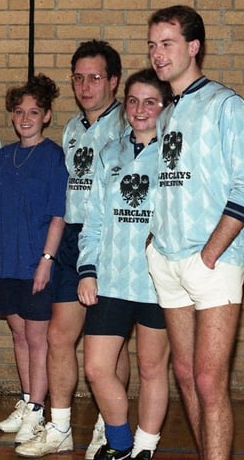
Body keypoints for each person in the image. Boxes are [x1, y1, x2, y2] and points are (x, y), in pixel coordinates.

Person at [15, 40, 128, 459]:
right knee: (60, 336)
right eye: (78, 77)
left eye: (94, 77)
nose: (85, 86)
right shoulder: (72, 129)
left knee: (109, 341)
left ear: (113, 81)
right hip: (70, 241)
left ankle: (107, 423)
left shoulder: (125, 124)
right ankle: (59, 426)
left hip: (111, 242)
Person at [145, 5, 244, 460]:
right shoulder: (166, 114)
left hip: (213, 261)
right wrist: (154, 242)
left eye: (167, 44)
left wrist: (210, 253)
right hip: (167, 261)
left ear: (193, 47)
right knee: (184, 374)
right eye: (152, 45)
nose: (158, 54)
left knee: (208, 379)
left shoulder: (226, 105)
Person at [77, 69, 172, 460]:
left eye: (150, 101)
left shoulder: (174, 155)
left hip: (157, 282)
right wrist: (88, 269)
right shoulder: (109, 153)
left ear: (165, 106)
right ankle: (119, 443)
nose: (140, 109)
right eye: (133, 101)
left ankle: (145, 449)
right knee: (97, 368)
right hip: (111, 280)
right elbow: (94, 219)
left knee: (152, 369)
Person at [0, 74, 68, 445]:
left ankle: (37, 408)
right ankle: (27, 400)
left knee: (37, 337)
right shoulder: (1, 157)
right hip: (5, 260)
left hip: (35, 261)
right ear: (12, 116)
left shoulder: (53, 157)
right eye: (19, 111)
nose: (26, 118)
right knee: (18, 333)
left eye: (34, 112)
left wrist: (46, 260)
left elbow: (58, 214)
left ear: (47, 115)